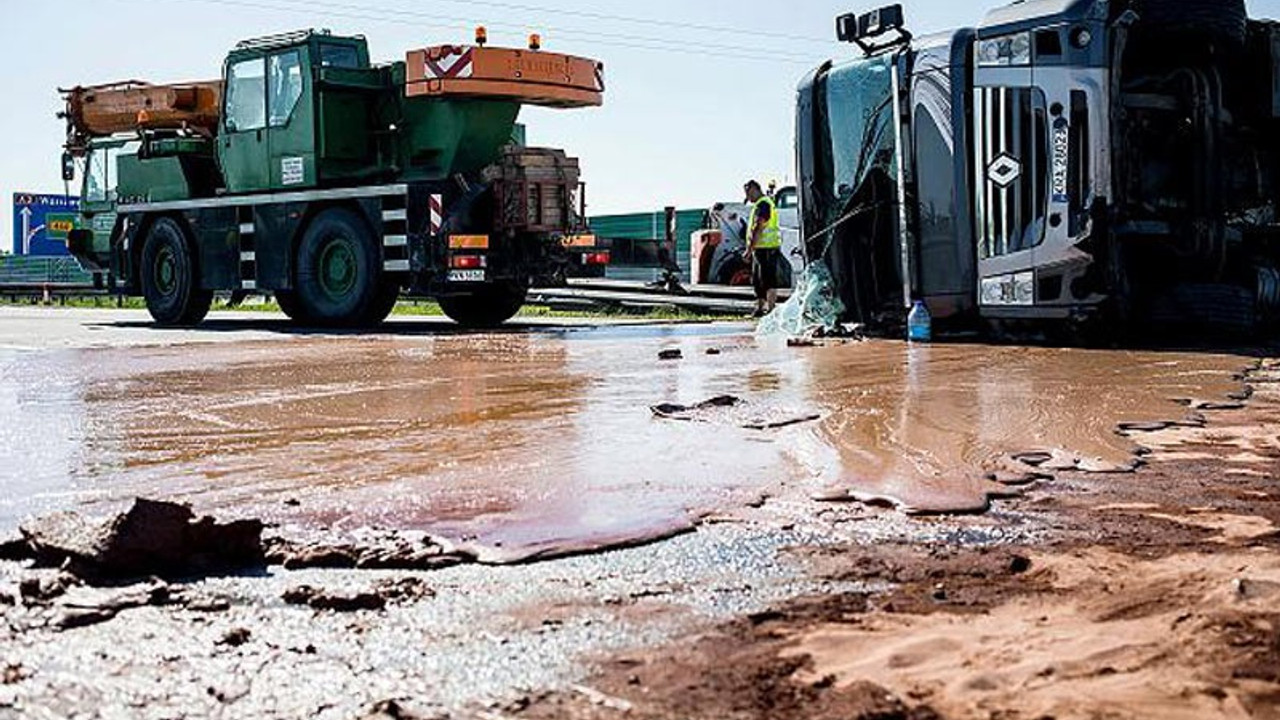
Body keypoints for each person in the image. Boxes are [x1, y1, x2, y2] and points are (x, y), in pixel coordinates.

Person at [743, 180, 782, 317]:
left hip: (767, 247)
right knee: (757, 279)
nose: (748, 198)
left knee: (768, 278)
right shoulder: (760, 205)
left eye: (748, 193)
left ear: (754, 189)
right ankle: (760, 309)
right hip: (760, 248)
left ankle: (771, 310)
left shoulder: (764, 204)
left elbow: (758, 227)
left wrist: (749, 249)